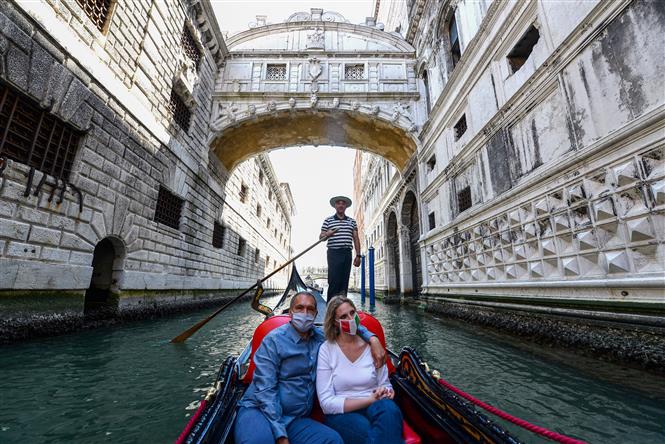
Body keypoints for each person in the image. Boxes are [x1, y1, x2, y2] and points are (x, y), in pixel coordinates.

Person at [234, 291, 387, 444]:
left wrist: (373, 338)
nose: (305, 313)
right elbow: (265, 391)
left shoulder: (321, 339)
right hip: (259, 410)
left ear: (315, 314)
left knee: (333, 441)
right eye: (299, 308)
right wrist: (281, 436)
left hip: (294, 419)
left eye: (310, 309)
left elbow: (348, 326)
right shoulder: (273, 341)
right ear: (290, 312)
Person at [316, 296, 404, 444]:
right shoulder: (327, 350)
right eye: (343, 316)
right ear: (335, 323)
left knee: (390, 409)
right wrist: (370, 399)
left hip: (376, 404)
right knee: (370, 433)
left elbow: (385, 384)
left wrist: (387, 391)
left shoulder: (373, 348)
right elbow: (326, 403)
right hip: (342, 412)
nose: (350, 318)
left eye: (352, 313)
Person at [320, 196, 361, 299]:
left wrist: (358, 255)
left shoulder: (352, 221)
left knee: (344, 282)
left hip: (347, 253)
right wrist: (327, 234)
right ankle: (331, 307)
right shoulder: (328, 220)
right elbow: (321, 237)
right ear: (335, 206)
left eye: (343, 203)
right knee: (334, 281)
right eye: (338, 203)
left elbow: (356, 238)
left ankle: (342, 308)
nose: (341, 205)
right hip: (333, 253)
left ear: (346, 206)